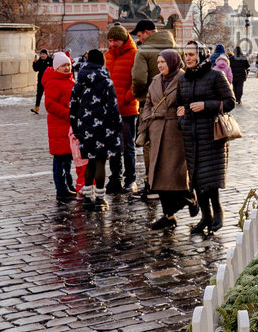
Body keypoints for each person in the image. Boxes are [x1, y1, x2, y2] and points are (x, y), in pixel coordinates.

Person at [177, 42, 236, 235]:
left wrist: (206, 105)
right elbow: (180, 104)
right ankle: (205, 216)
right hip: (190, 134)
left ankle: (218, 211)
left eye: (192, 54)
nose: (188, 58)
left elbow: (230, 102)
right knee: (195, 177)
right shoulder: (183, 79)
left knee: (209, 176)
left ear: (201, 55)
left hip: (211, 133)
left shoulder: (215, 76)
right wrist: (181, 118)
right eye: (186, 55)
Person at [142, 48, 190, 229]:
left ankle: (188, 200)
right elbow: (148, 103)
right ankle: (168, 216)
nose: (160, 65)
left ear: (172, 62)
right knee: (159, 176)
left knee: (175, 174)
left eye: (163, 62)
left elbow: (189, 101)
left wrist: (183, 113)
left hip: (174, 132)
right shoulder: (155, 80)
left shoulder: (183, 79)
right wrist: (146, 119)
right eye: (158, 62)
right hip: (156, 130)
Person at [70, 49, 121, 213]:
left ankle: (87, 198)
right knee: (100, 161)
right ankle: (99, 198)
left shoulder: (80, 81)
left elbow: (73, 107)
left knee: (89, 162)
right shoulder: (106, 81)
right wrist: (118, 125)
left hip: (84, 127)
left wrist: (76, 128)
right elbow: (113, 107)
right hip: (103, 127)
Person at [104, 25, 139, 194]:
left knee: (127, 146)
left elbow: (138, 81)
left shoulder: (135, 55)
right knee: (113, 146)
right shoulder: (107, 56)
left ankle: (130, 179)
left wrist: (127, 98)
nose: (112, 44)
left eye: (115, 40)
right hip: (110, 110)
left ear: (123, 39)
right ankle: (115, 178)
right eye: (110, 40)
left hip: (127, 109)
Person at [41, 52, 75, 201]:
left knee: (68, 159)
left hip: (68, 127)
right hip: (59, 126)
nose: (67, 68)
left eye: (68, 64)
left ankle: (69, 185)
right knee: (60, 160)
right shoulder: (53, 82)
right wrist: (69, 114)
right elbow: (50, 105)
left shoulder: (70, 80)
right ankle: (61, 189)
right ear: (56, 68)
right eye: (63, 66)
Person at [131, 19, 178, 104]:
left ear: (147, 32)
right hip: (174, 99)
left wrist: (137, 94)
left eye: (139, 35)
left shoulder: (142, 51)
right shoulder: (177, 48)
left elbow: (139, 79)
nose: (139, 39)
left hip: (150, 101)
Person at [31, 48, 52, 112]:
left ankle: (51, 108)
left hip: (49, 81)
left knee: (49, 95)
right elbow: (36, 69)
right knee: (39, 94)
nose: (42, 55)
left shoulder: (51, 60)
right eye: (41, 54)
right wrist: (34, 63)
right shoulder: (39, 61)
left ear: (46, 54)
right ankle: (36, 108)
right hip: (41, 80)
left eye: (43, 54)